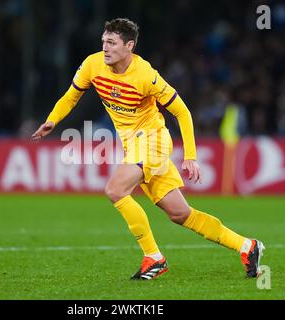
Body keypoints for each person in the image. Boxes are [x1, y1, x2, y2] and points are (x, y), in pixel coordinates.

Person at [32, 18, 264, 280]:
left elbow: (182, 112)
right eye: (103, 41)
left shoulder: (145, 75)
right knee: (180, 214)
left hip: (152, 140)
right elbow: (71, 96)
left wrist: (190, 156)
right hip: (134, 144)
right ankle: (247, 246)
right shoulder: (92, 64)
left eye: (112, 43)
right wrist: (52, 120)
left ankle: (153, 257)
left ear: (129, 45)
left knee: (115, 190)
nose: (105, 48)